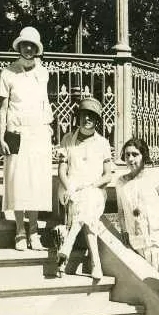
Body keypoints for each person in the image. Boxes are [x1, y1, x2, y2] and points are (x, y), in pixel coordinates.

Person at [0, 26, 53, 251]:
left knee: (36, 182)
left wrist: (48, 128)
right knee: (17, 182)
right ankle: (20, 231)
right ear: (19, 47)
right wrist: (0, 136)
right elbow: (3, 109)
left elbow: (44, 103)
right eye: (24, 45)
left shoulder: (44, 73)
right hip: (16, 132)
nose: (28, 49)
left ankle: (34, 232)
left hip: (39, 133)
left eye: (32, 45)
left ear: (36, 49)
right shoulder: (7, 73)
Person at [56, 97, 112, 279]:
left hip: (94, 190)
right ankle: (96, 263)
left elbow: (108, 176)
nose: (87, 118)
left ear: (97, 120)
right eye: (83, 115)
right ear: (78, 117)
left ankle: (67, 246)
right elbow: (62, 171)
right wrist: (69, 188)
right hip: (70, 188)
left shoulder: (103, 143)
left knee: (88, 200)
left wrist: (90, 186)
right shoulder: (67, 139)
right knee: (86, 208)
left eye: (91, 115)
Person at [115, 138, 159, 277]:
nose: (130, 159)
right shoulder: (121, 182)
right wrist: (124, 231)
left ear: (144, 156)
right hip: (135, 243)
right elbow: (121, 210)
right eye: (127, 155)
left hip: (157, 242)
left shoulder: (157, 177)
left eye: (135, 154)